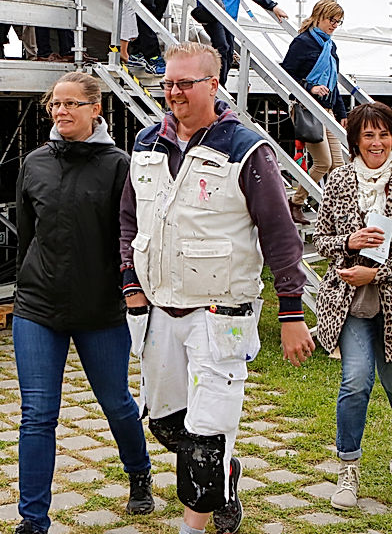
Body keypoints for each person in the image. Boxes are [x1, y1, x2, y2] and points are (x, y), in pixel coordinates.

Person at [119, 42, 314, 534]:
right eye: (167, 83)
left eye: (185, 83)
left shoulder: (246, 148)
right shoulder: (145, 142)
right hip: (161, 312)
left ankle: (195, 521)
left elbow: (279, 233)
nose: (173, 92)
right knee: (166, 423)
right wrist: (130, 284)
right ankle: (224, 473)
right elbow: (128, 220)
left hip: (219, 313)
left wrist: (291, 314)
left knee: (206, 435)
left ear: (213, 84)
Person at [13, 72, 154, 534]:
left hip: (99, 310)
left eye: (73, 104)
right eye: (56, 104)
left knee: (115, 402)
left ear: (97, 109)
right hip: (38, 306)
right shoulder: (34, 163)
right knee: (37, 414)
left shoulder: (119, 166)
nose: (62, 112)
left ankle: (139, 472)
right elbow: (26, 235)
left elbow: (128, 238)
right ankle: (33, 521)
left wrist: (130, 289)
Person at [312, 102, 392, 507]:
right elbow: (321, 237)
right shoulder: (336, 180)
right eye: (368, 135)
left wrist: (378, 274)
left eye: (383, 134)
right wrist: (347, 243)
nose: (376, 142)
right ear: (354, 139)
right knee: (355, 381)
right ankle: (347, 469)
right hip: (350, 301)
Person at [280, 0, 348, 224]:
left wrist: (342, 113)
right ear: (319, 15)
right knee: (323, 163)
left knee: (338, 166)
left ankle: (338, 213)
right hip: (307, 108)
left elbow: (334, 82)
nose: (334, 25)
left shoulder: (330, 46)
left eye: (338, 22)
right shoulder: (303, 42)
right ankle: (297, 203)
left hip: (327, 110)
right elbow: (286, 73)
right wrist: (309, 87)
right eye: (332, 20)